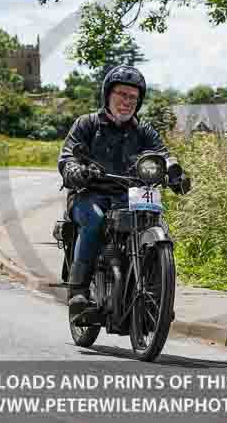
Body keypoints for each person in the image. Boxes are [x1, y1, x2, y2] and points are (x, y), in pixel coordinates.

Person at [57, 65, 181, 317]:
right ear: (108, 95)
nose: (127, 102)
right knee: (94, 220)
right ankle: (79, 289)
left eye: (133, 97)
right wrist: (75, 171)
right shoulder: (87, 124)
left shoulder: (144, 131)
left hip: (129, 195)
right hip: (90, 193)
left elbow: (163, 155)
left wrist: (174, 170)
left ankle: (156, 293)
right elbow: (67, 157)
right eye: (121, 95)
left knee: (154, 223)